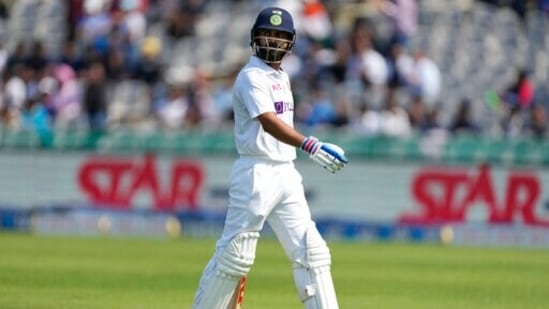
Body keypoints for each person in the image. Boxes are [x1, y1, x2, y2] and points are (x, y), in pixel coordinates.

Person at [192, 7, 348, 309]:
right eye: (267, 33)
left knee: (312, 251)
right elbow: (267, 121)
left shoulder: (281, 76)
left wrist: (302, 147)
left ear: (290, 42)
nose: (273, 40)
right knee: (235, 255)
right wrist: (311, 145)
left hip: (286, 172)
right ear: (255, 37)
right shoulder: (251, 76)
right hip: (256, 171)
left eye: (279, 36)